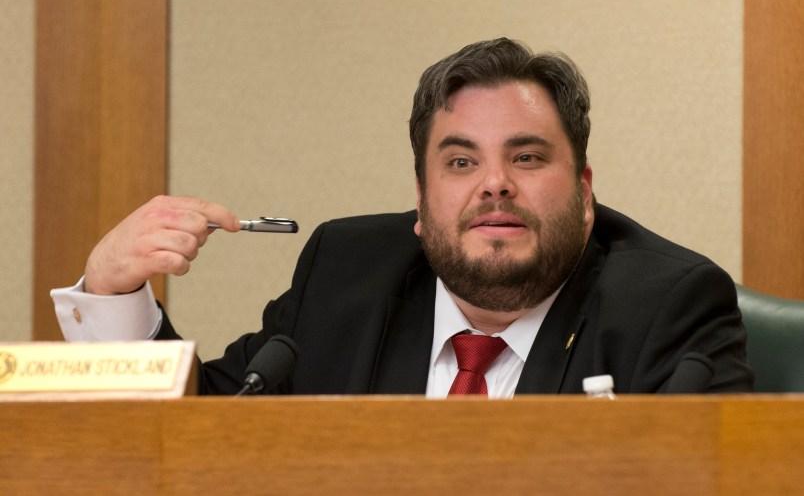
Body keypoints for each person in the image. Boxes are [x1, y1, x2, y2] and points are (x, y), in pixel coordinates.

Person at [51, 37, 753, 396]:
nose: (495, 185)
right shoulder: (347, 275)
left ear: (587, 191)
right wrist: (114, 297)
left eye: (529, 158)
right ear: (420, 204)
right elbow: (205, 438)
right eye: (460, 162)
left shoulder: (669, 306)